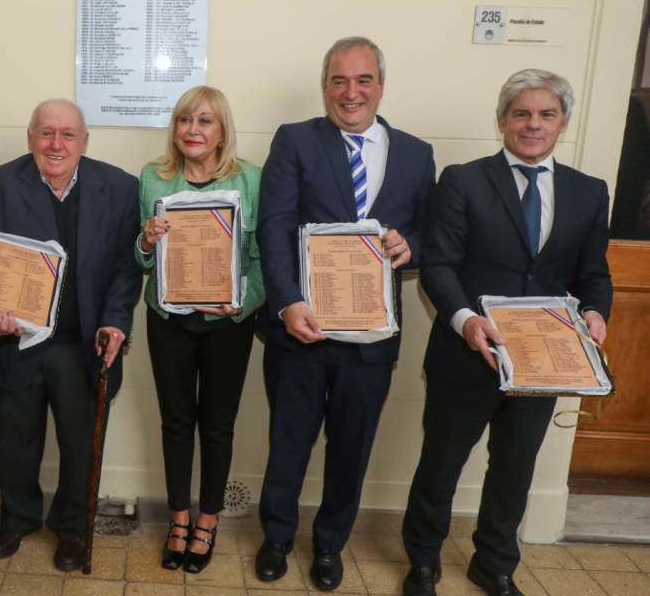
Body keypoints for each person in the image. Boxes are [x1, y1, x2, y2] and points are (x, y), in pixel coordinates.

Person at [401, 69, 612, 596]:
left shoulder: (589, 192)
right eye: (522, 113)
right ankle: (422, 560)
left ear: (563, 123)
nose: (533, 124)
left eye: (546, 114)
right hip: (466, 352)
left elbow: (593, 274)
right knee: (441, 465)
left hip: (542, 360)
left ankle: (494, 563)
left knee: (515, 468)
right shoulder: (463, 180)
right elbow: (439, 265)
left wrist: (595, 312)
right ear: (501, 120)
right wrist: (465, 320)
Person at [255, 36, 436, 591]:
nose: (350, 92)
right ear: (324, 87)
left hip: (373, 337)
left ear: (381, 86)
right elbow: (274, 226)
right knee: (289, 441)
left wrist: (412, 246)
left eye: (362, 80)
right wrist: (287, 302)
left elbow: (431, 232)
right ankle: (277, 536)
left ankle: (330, 544)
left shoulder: (416, 153)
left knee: (351, 450)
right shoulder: (295, 140)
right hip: (300, 327)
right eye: (339, 80)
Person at [0, 98, 141, 571]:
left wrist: (116, 321)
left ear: (84, 141)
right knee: (15, 440)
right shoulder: (2, 182)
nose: (56, 144)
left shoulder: (120, 186)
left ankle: (71, 527)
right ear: (30, 138)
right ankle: (18, 517)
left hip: (83, 344)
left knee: (80, 444)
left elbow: (126, 268)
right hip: (18, 340)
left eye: (67, 134)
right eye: (46, 132)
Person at [135, 86, 264, 574]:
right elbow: (141, 258)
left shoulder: (251, 179)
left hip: (228, 323)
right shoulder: (153, 177)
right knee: (174, 423)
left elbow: (263, 258)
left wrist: (245, 301)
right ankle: (179, 520)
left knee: (217, 424)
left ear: (222, 131)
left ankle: (207, 521)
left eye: (205, 121)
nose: (192, 130)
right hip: (169, 320)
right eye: (184, 120)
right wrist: (146, 241)